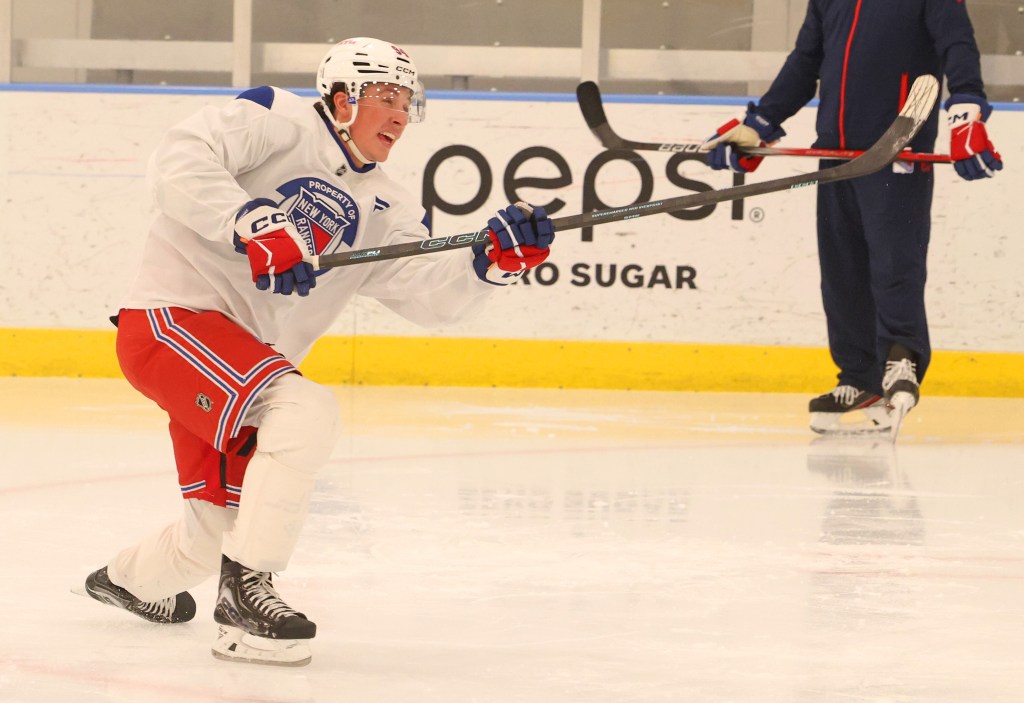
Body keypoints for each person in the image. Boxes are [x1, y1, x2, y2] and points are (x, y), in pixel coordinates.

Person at [83, 37, 555, 666]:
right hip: (171, 320)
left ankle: (127, 581)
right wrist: (252, 222)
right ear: (340, 99)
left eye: (406, 103)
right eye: (385, 97)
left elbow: (428, 295)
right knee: (304, 410)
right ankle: (245, 598)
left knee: (214, 534)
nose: (398, 115)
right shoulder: (275, 118)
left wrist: (489, 266)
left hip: (238, 363)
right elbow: (178, 157)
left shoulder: (387, 204)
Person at [702, 0, 1002, 436]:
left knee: (894, 264)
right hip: (836, 155)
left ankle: (901, 359)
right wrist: (762, 122)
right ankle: (861, 379)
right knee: (841, 272)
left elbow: (958, 44)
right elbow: (806, 60)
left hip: (897, 151)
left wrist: (966, 109)